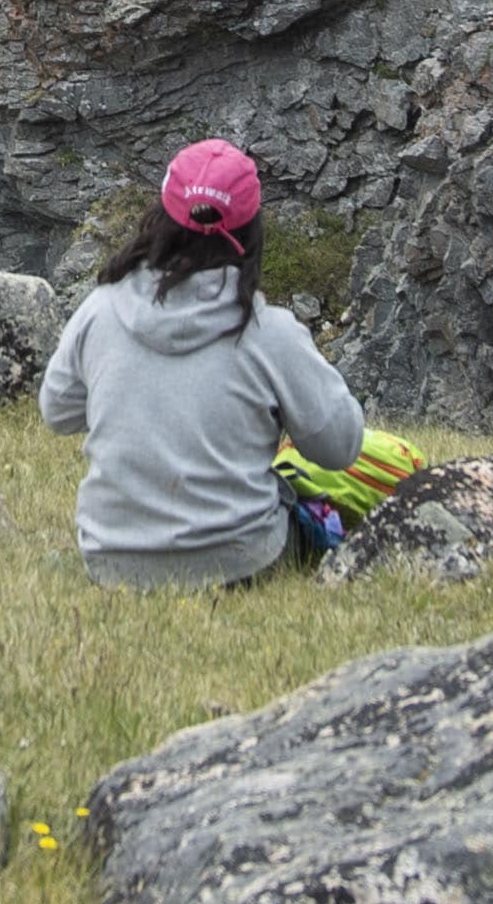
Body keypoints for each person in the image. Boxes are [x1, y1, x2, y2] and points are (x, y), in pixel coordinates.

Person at [41, 138, 369, 591]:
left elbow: (57, 412)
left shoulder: (101, 309)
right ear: (251, 230)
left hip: (111, 562)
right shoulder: (270, 332)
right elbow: (340, 447)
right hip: (239, 563)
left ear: (161, 217)